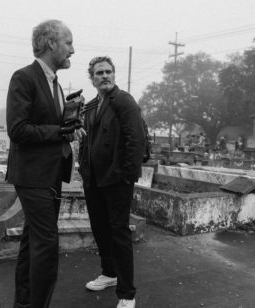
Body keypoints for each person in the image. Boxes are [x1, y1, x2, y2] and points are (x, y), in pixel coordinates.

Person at [6, 19, 85, 308]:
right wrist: (59, 131)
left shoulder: (57, 85)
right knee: (47, 247)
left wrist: (72, 123)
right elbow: (17, 130)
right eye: (68, 42)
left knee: (32, 244)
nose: (73, 50)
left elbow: (52, 127)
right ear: (51, 42)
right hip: (32, 176)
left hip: (51, 174)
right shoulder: (24, 77)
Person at [78, 56, 145, 308]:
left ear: (114, 75)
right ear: (92, 78)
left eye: (108, 72)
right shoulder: (92, 105)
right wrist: (83, 169)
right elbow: (85, 140)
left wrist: (127, 175)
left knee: (119, 233)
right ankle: (109, 273)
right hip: (93, 180)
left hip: (117, 180)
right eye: (98, 73)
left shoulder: (124, 101)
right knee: (100, 229)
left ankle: (127, 294)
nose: (104, 76)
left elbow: (135, 140)